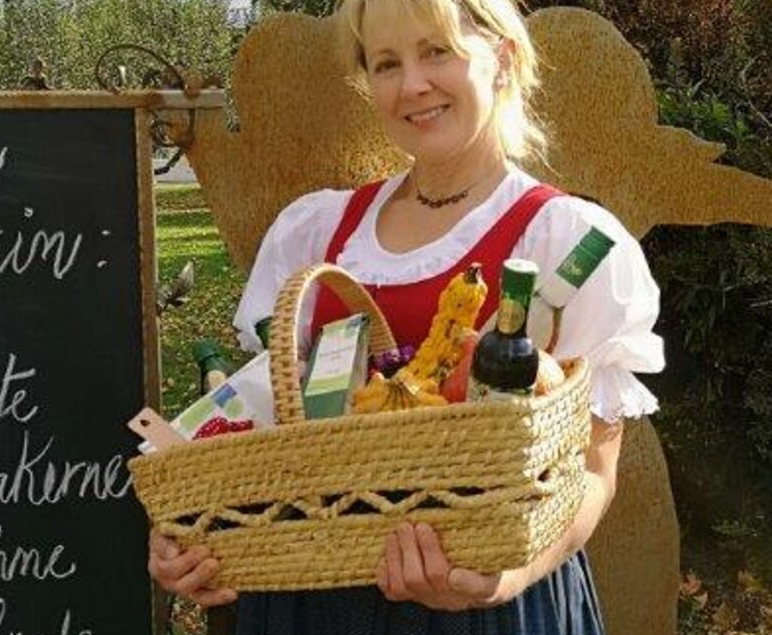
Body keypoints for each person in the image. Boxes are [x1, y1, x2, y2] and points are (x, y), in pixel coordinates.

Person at [147, 0, 665, 632]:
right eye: (386, 63)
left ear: (502, 59)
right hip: (310, 600)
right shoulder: (315, 233)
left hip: (483, 610)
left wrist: (506, 580)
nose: (412, 85)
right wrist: (199, 533)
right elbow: (261, 433)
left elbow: (593, 472)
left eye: (436, 51)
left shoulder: (566, 244)